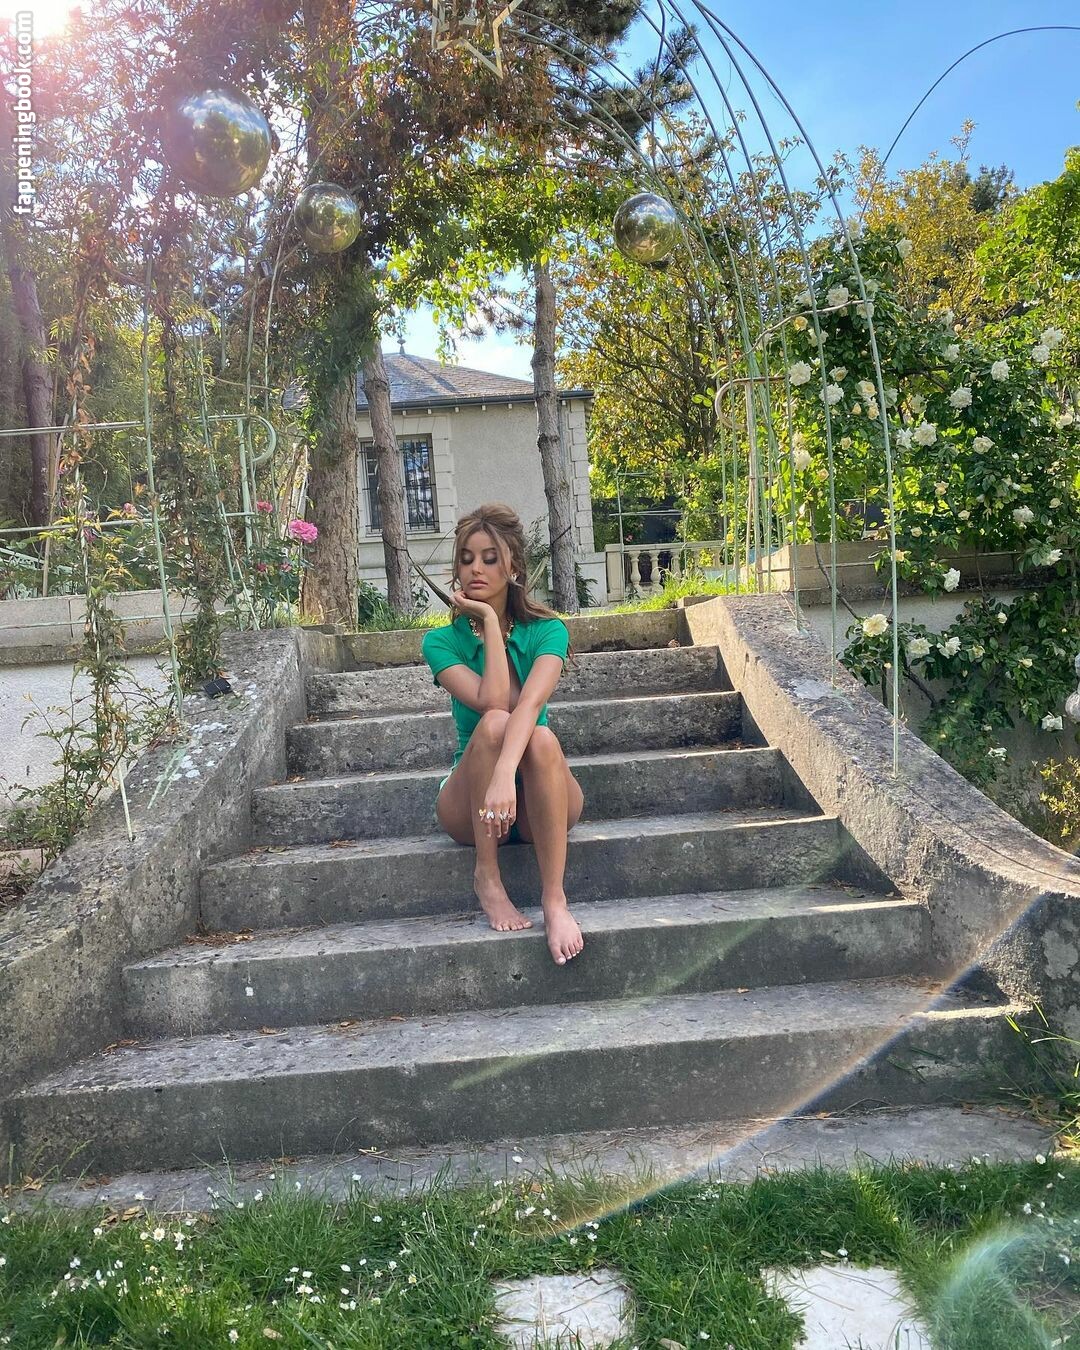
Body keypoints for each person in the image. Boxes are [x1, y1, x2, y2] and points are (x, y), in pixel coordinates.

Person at [421, 503, 585, 966]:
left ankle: (555, 900)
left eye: (490, 558)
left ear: (513, 567)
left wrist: (506, 774)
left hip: (535, 798)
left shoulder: (548, 631)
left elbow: (528, 707)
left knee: (542, 737)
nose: (476, 568)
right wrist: (490, 623)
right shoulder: (441, 642)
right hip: (470, 802)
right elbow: (493, 701)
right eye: (467, 558)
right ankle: (487, 877)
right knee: (493, 722)